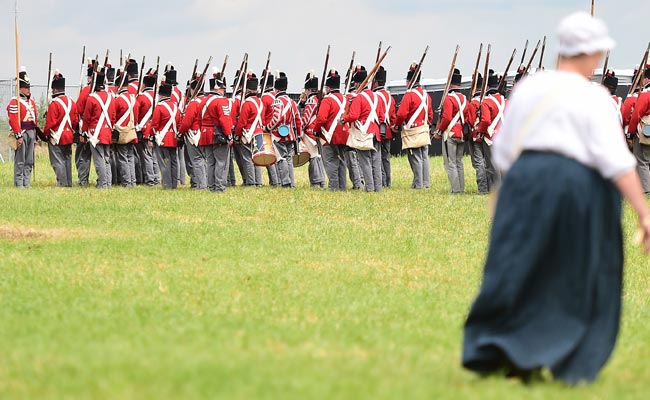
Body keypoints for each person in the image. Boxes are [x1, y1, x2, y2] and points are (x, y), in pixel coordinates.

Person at [462, 12, 650, 384]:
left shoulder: (528, 89)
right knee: (572, 271)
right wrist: (643, 212)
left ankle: (505, 347)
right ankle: (563, 352)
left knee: (519, 265)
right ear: (594, 53)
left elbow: (503, 151)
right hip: (576, 187)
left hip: (524, 181)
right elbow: (615, 161)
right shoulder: (593, 97)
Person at [394, 62, 433, 189]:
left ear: (409, 81)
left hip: (413, 131)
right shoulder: (426, 95)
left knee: (415, 157)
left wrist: (397, 125)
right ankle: (425, 183)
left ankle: (418, 184)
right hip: (424, 129)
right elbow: (430, 115)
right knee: (424, 157)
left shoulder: (409, 95)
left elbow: (401, 114)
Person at [309, 69, 349, 191]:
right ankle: (342, 187)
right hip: (343, 134)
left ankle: (333, 187)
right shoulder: (345, 98)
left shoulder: (327, 100)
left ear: (329, 88)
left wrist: (315, 130)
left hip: (329, 135)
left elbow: (321, 119)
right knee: (342, 161)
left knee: (331, 161)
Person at [43, 70, 79, 187]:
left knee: (57, 161)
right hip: (68, 136)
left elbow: (50, 123)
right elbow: (75, 122)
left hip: (57, 137)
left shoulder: (54, 104)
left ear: (55, 89)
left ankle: (62, 183)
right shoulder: (72, 102)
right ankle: (68, 182)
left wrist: (46, 135)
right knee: (67, 161)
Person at [83, 68, 117, 189]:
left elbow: (87, 118)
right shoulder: (111, 97)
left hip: (95, 133)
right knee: (106, 159)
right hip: (107, 132)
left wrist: (84, 133)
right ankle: (108, 182)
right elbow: (113, 117)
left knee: (99, 160)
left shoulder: (92, 98)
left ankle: (102, 184)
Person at [6, 67, 38, 188]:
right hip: (22, 132)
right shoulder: (15, 102)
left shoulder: (32, 102)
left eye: (29, 88)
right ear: (20, 88)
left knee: (29, 160)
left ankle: (27, 181)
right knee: (20, 160)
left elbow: (34, 119)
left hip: (31, 132)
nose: (28, 90)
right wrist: (18, 135)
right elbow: (13, 120)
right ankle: (19, 182)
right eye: (26, 88)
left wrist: (35, 137)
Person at [268, 72, 301, 187]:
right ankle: (291, 182)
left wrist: (268, 127)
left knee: (281, 158)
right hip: (291, 134)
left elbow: (276, 118)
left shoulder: (277, 101)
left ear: (276, 89)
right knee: (288, 158)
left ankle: (285, 182)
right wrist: (299, 135)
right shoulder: (292, 102)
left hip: (279, 134)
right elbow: (298, 120)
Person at [203, 71, 233, 192]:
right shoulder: (221, 101)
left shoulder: (203, 101)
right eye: (222, 89)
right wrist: (229, 135)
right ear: (218, 89)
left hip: (206, 134)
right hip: (218, 134)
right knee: (221, 162)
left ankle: (211, 186)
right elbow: (224, 119)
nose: (224, 91)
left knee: (210, 162)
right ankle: (219, 187)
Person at [437, 68, 466, 194]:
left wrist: (439, 131)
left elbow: (447, 117)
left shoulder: (449, 99)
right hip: (462, 133)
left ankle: (455, 189)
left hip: (451, 133)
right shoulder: (464, 98)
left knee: (451, 163)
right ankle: (461, 188)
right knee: (459, 162)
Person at [148, 81, 181, 189]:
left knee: (165, 162)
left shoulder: (159, 107)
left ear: (160, 94)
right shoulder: (176, 106)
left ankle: (167, 185)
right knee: (174, 162)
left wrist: (151, 137)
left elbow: (154, 125)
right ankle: (174, 184)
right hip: (174, 138)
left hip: (163, 138)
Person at [234, 71, 264, 186]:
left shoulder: (247, 103)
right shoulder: (260, 102)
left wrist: (237, 135)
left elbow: (242, 122)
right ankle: (259, 182)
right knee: (257, 158)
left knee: (247, 159)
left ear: (247, 90)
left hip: (248, 134)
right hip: (258, 133)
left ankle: (251, 182)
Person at [478, 71, 506, 191]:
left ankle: (497, 191)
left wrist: (480, 131)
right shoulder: (506, 101)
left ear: (487, 87)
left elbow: (485, 121)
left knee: (492, 166)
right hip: (504, 137)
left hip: (491, 139)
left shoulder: (486, 102)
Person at [300, 72, 327, 188]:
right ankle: (320, 180)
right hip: (316, 132)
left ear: (308, 89)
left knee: (313, 156)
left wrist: (300, 129)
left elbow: (306, 118)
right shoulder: (318, 98)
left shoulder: (311, 100)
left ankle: (316, 181)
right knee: (317, 156)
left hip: (310, 133)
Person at [464, 73, 489, 194]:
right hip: (486, 135)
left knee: (479, 162)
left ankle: (483, 188)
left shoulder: (473, 103)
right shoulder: (486, 100)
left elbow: (470, 120)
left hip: (476, 136)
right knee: (487, 162)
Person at [113, 71, 139, 187]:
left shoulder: (118, 100)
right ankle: (132, 181)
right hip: (132, 130)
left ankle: (126, 182)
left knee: (123, 157)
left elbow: (114, 116)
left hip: (122, 131)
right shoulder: (133, 98)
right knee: (130, 157)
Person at [135, 68, 160, 186]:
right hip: (156, 129)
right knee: (154, 155)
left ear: (144, 84)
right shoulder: (157, 97)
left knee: (147, 156)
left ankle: (150, 179)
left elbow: (137, 114)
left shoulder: (141, 97)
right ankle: (157, 177)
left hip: (145, 129)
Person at [373, 66, 396, 188]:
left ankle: (382, 182)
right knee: (386, 158)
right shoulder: (390, 97)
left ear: (376, 82)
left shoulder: (375, 96)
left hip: (378, 130)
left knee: (378, 158)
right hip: (388, 131)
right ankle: (388, 182)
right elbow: (393, 116)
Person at [628, 65, 650, 195]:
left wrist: (630, 133)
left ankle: (647, 192)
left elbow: (636, 114)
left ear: (646, 79)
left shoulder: (646, 94)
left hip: (646, 133)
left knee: (642, 161)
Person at [75, 59, 96, 187]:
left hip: (87, 128)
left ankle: (83, 181)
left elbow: (78, 109)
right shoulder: (105, 91)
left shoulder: (86, 90)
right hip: (100, 130)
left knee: (83, 155)